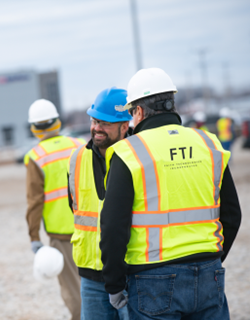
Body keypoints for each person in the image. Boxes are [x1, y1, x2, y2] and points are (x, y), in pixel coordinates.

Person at [100, 68, 242, 319]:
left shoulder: (129, 152)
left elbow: (113, 225)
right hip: (209, 270)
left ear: (139, 111)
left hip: (152, 277)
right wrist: (212, 259)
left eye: (132, 113)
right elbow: (232, 214)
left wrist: (113, 283)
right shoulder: (209, 143)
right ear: (172, 104)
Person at [68, 87, 131, 320]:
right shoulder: (76, 159)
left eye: (105, 123)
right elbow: (74, 206)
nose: (96, 128)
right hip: (90, 276)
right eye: (95, 121)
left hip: (131, 273)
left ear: (125, 126)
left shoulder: (139, 157)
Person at [24, 99, 84, 320]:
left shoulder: (35, 157)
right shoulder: (79, 144)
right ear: (57, 122)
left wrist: (34, 237)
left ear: (34, 128)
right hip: (91, 227)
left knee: (73, 289)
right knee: (97, 285)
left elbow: (34, 202)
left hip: (62, 235)